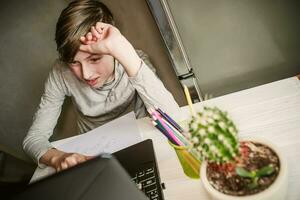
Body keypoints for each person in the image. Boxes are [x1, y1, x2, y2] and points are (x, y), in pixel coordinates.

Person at [23, 0, 179, 172]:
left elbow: (174, 120)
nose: (86, 74)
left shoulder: (133, 59)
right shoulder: (60, 72)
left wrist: (123, 52)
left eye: (94, 59)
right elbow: (34, 138)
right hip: (93, 155)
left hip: (141, 142)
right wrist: (59, 158)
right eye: (74, 62)